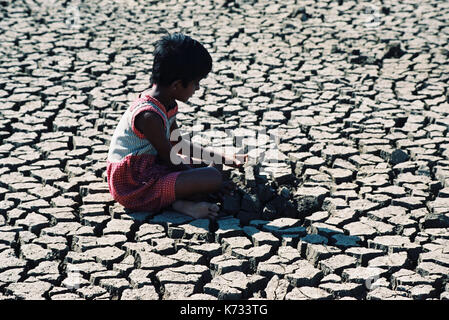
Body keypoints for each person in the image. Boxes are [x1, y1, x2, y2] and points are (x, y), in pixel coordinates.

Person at [107, 33, 246, 219]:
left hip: (152, 167)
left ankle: (184, 198)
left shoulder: (168, 103)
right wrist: (207, 180)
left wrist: (222, 157)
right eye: (196, 83)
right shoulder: (149, 116)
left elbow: (178, 144)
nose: (197, 88)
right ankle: (180, 205)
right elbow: (171, 158)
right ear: (177, 85)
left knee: (212, 168)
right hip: (133, 184)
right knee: (211, 177)